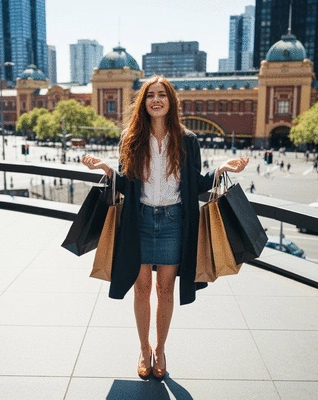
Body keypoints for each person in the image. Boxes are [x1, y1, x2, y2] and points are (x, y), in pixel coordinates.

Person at [81, 75, 248, 380]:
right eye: (150, 95)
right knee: (142, 287)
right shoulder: (130, 138)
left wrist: (221, 169)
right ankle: (144, 350)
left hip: (173, 221)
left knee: (165, 289)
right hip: (140, 220)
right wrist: (105, 169)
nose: (156, 100)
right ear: (143, 102)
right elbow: (127, 184)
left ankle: (162, 348)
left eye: (162, 95)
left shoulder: (187, 140)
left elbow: (196, 184)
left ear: (171, 102)